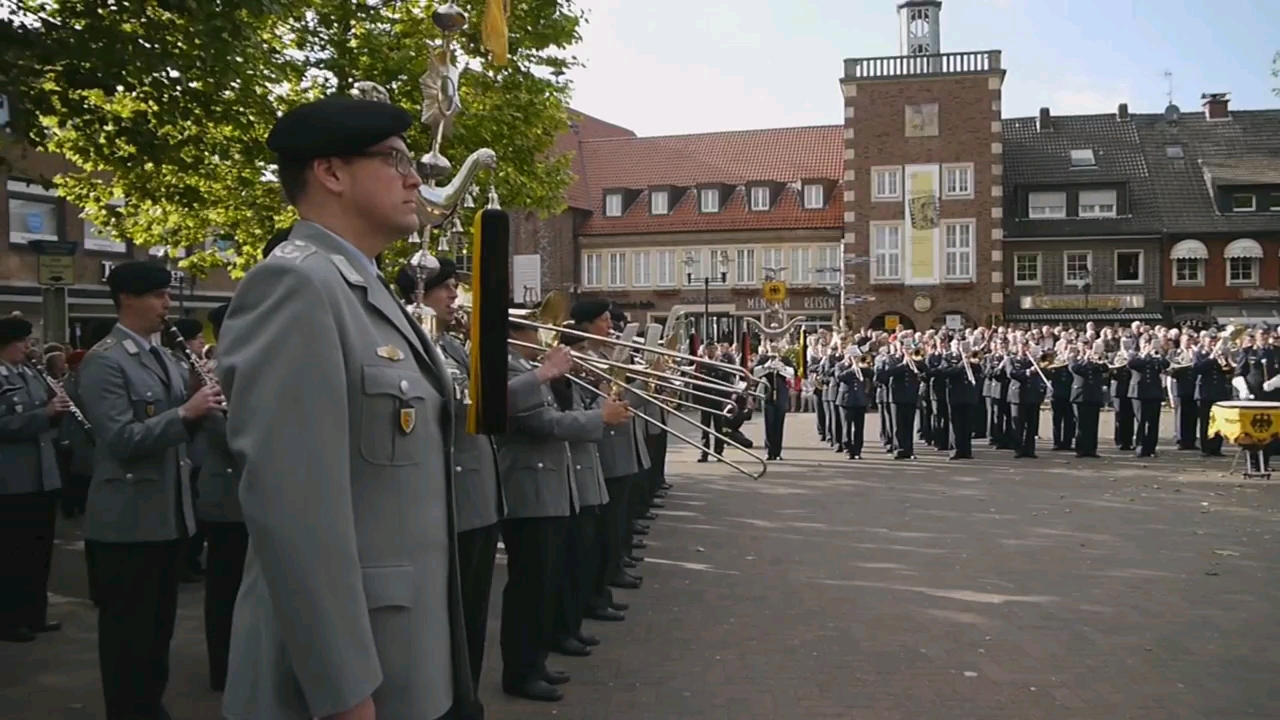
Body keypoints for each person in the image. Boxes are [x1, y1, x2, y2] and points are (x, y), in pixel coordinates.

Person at [216, 95, 480, 720]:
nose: (416, 177)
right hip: (347, 680)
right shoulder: (297, 285)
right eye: (395, 159)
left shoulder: (357, 284)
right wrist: (344, 693)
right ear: (331, 173)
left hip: (407, 654)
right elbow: (295, 513)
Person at [78, 260, 224, 720]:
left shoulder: (163, 355)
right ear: (127, 299)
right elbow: (121, 440)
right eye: (158, 296)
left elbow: (179, 433)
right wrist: (185, 413)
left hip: (166, 516)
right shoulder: (105, 360)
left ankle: (149, 707)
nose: (167, 305)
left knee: (157, 632)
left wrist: (202, 402)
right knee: (128, 636)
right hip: (126, 523)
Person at [499, 320, 629, 702]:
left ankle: (534, 662)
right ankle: (520, 671)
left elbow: (556, 410)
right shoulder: (510, 367)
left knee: (547, 579)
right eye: (530, 330)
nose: (538, 338)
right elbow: (540, 423)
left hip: (553, 487)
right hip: (529, 489)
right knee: (529, 585)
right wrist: (597, 417)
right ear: (515, 334)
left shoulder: (527, 368)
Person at [395, 257, 505, 693]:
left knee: (473, 616)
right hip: (449, 499)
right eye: (446, 288)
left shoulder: (454, 345)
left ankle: (468, 695)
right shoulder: (411, 343)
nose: (455, 296)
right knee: (450, 619)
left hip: (477, 496)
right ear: (419, 293)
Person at [0, 315, 68, 644]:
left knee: (39, 553)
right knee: (13, 554)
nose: (29, 348)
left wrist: (56, 411)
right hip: (12, 479)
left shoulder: (28, 372)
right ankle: (10, 620)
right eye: (22, 343)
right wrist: (45, 414)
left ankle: (34, 614)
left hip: (42, 475)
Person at [193, 303, 247, 694]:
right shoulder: (212, 373)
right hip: (227, 496)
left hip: (249, 494)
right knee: (225, 588)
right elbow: (225, 437)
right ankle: (223, 668)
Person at [753, 345, 794, 461]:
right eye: (772, 348)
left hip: (781, 393)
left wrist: (781, 367)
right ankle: (768, 451)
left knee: (779, 423)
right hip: (767, 393)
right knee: (768, 423)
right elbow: (755, 372)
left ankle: (777, 452)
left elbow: (792, 373)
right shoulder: (763, 359)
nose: (774, 351)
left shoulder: (785, 359)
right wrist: (766, 366)